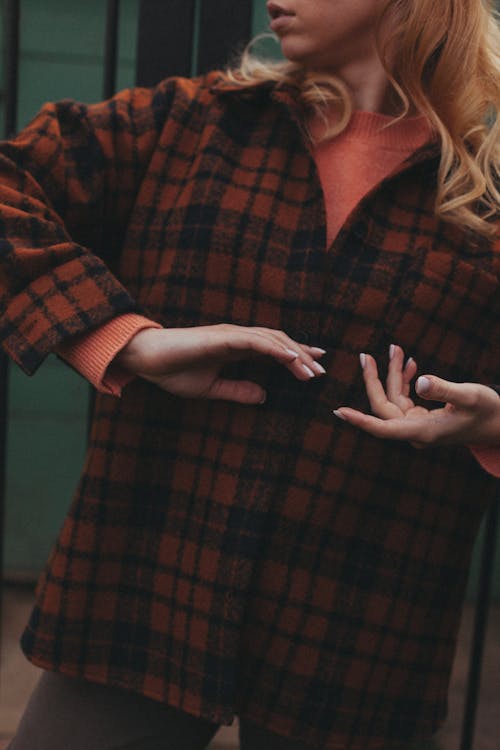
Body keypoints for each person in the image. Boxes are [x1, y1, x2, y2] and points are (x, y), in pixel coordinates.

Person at [1, 0, 499, 748]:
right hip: (144, 588)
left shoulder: (487, 202)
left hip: (357, 643)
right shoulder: (190, 125)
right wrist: (125, 341)